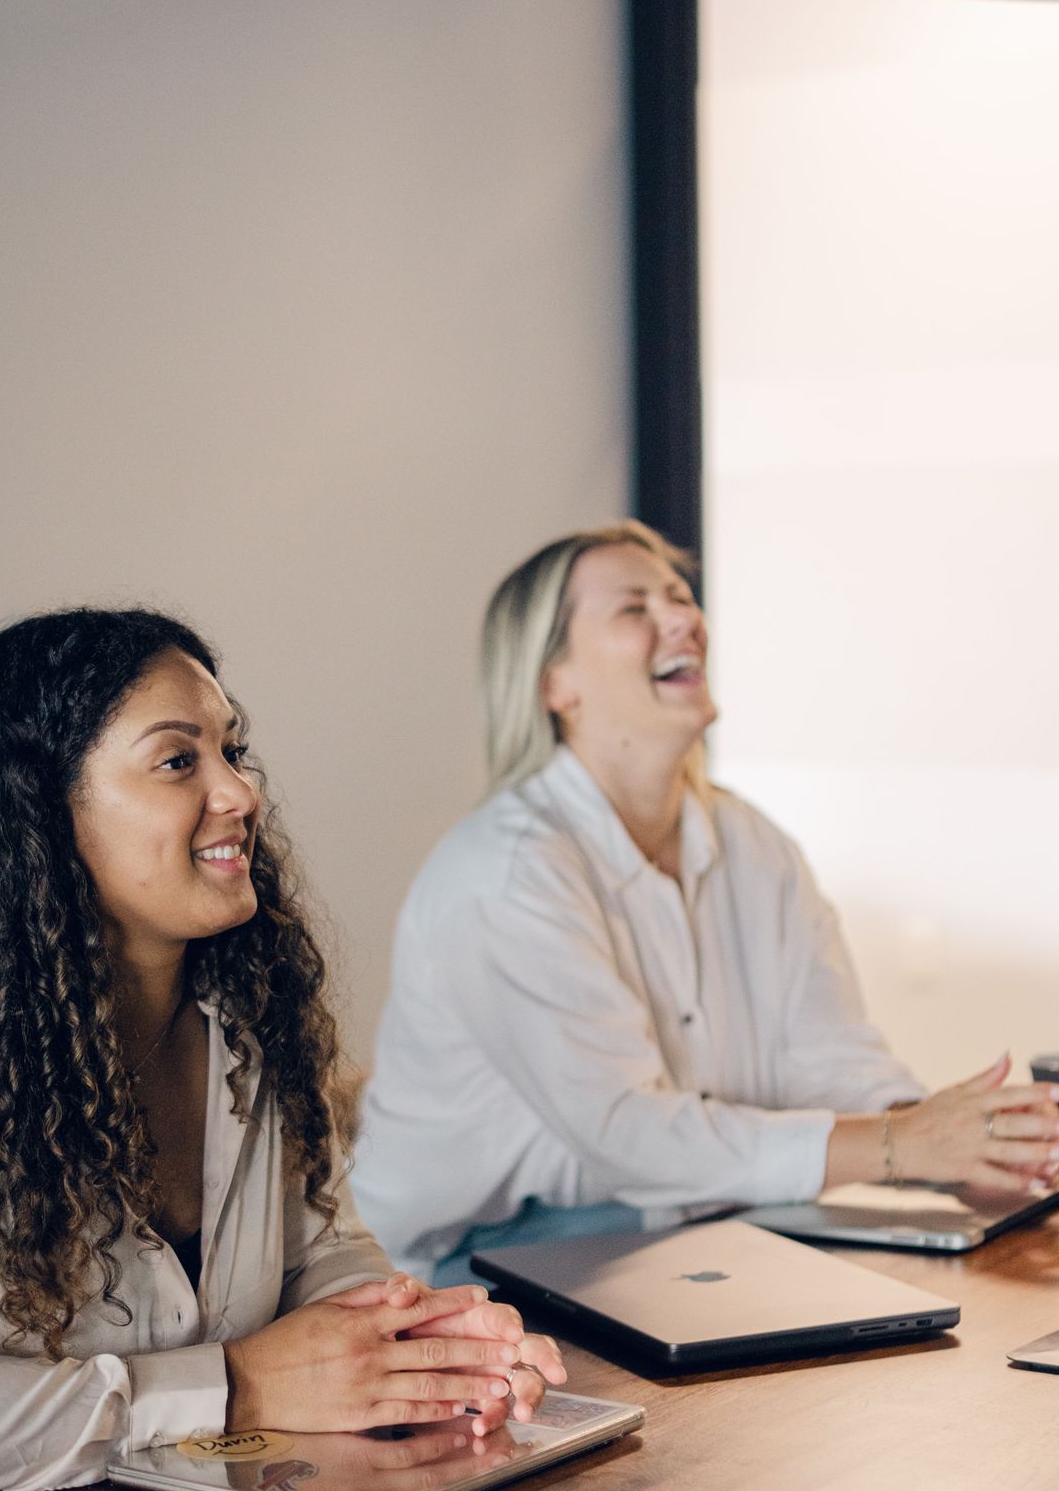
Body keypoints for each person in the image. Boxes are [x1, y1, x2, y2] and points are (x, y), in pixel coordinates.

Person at [0, 609, 564, 1491]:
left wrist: (424, 1353)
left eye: (232, 752)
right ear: (39, 812)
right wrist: (237, 1383)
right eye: (178, 761)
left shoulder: (248, 1011)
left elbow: (321, 1257)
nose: (241, 794)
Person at [352, 523, 1059, 1282]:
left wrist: (965, 1147)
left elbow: (830, 1059)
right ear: (555, 683)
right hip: (479, 1263)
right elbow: (629, 1135)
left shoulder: (755, 846)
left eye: (681, 599)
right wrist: (903, 1146)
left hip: (706, 1229)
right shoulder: (504, 874)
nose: (684, 620)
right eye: (635, 609)